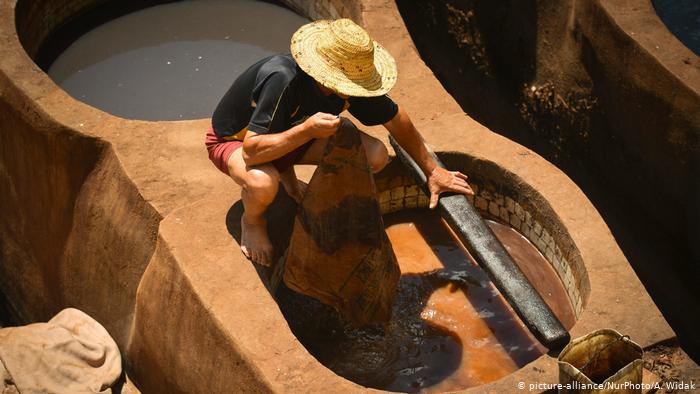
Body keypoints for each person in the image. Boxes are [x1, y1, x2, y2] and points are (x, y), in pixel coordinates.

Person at [206, 19, 474, 267]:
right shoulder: (282, 78)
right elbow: (253, 152)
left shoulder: (350, 81)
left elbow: (396, 118)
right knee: (263, 184)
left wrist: (432, 171)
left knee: (375, 155)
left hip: (292, 136)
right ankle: (252, 221)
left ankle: (307, 192)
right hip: (235, 142)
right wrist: (306, 131)